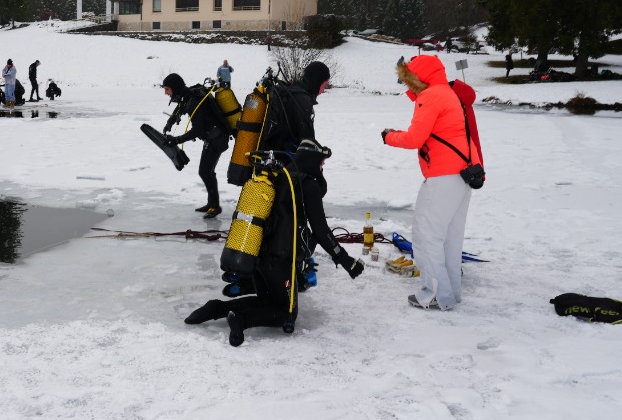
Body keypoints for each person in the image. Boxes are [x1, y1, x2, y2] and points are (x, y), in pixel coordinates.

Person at [184, 140, 364, 346]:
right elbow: (321, 230)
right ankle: (242, 320)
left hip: (257, 253)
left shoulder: (278, 176)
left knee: (267, 302)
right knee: (286, 313)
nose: (322, 167)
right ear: (313, 160)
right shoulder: (308, 185)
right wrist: (345, 260)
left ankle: (215, 308)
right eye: (322, 162)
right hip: (280, 260)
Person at [381, 55, 481, 311]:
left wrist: (389, 136)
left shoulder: (431, 96)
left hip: (443, 177)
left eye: (409, 81)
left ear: (418, 77)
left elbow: (415, 138)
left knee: (427, 235)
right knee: (450, 237)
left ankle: (434, 294)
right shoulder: (448, 93)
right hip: (463, 175)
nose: (408, 87)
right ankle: (450, 294)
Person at [161, 73, 230, 219]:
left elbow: (197, 130)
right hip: (213, 137)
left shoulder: (194, 102)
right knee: (207, 171)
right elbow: (179, 108)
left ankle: (215, 206)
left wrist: (177, 140)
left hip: (216, 139)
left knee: (205, 172)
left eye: (167, 89)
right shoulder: (188, 96)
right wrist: (170, 123)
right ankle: (212, 203)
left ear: (175, 88)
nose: (165, 92)